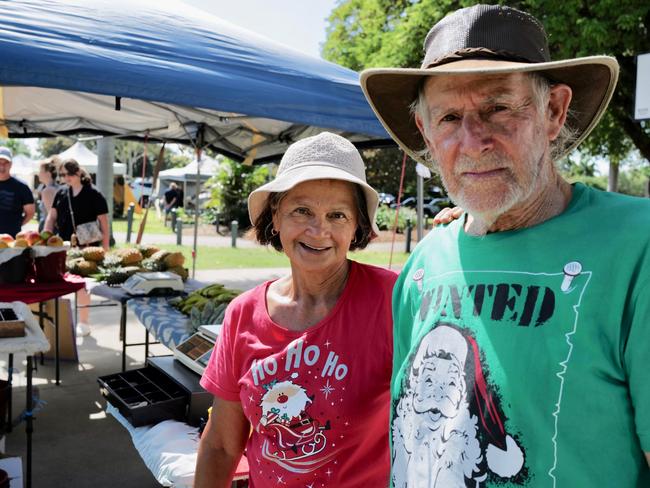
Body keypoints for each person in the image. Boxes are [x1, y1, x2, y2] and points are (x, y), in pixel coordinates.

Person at [361, 4, 650, 487]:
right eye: (449, 117)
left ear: (554, 111)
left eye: (497, 108)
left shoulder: (637, 246)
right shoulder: (423, 265)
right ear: (425, 133)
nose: (473, 141)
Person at [195, 132, 396, 487]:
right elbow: (222, 446)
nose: (318, 230)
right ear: (276, 216)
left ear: (357, 226)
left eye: (337, 215)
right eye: (302, 210)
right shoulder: (243, 314)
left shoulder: (393, 300)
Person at [44, 158, 110, 337]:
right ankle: (62, 322)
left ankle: (83, 321)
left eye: (68, 174)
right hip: (65, 246)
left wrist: (105, 248)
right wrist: (46, 234)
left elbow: (104, 222)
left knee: (82, 285)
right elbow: (51, 217)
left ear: (78, 173)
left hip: (88, 247)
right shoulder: (61, 193)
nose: (65, 178)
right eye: (62, 174)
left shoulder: (93, 193)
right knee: (62, 282)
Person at [0, 146, 35, 236]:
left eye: (6, 163)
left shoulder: (21, 187)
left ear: (11, 164)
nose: (2, 166)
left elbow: (30, 213)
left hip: (12, 240)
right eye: (0, 162)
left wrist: (16, 224)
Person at [36, 157, 59, 231]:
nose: (38, 174)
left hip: (49, 232)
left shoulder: (48, 191)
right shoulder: (56, 188)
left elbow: (52, 218)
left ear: (48, 174)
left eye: (40, 171)